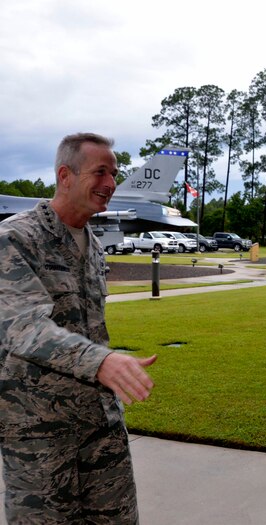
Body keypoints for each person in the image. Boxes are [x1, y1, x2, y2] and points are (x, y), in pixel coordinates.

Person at [0, 133, 157, 523]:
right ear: (65, 175)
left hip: (100, 424)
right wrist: (101, 362)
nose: (110, 183)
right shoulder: (14, 239)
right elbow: (22, 327)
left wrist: (104, 370)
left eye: (114, 173)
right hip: (38, 433)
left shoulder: (93, 245)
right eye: (100, 172)